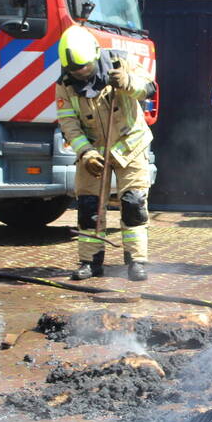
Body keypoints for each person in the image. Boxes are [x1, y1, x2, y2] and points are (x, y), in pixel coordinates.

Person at [55, 25, 157, 282]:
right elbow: (68, 123)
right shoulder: (65, 85)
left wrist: (127, 82)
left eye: (86, 68)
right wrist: (86, 153)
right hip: (94, 155)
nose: (82, 74)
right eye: (76, 71)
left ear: (95, 54)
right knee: (89, 207)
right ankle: (90, 262)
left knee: (133, 204)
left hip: (130, 146)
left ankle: (136, 261)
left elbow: (149, 88)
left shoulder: (120, 63)